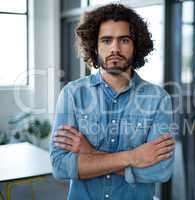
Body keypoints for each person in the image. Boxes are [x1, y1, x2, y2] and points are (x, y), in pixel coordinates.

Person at [50, 3, 176, 200]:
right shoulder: (72, 94)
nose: (115, 48)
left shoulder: (158, 99)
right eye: (106, 40)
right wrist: (132, 157)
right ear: (94, 46)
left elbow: (160, 171)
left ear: (136, 45)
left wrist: (90, 154)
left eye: (124, 40)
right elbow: (60, 166)